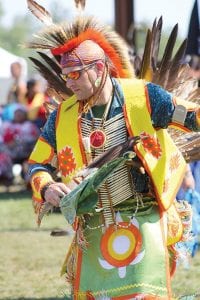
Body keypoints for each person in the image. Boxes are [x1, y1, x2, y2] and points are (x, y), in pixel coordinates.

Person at [27, 15, 200, 299]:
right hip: (93, 228)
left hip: (143, 221)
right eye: (65, 75)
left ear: (99, 68)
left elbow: (190, 116)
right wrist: (46, 188)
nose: (69, 83)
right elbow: (38, 164)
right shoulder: (62, 117)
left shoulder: (145, 97)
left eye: (75, 74)